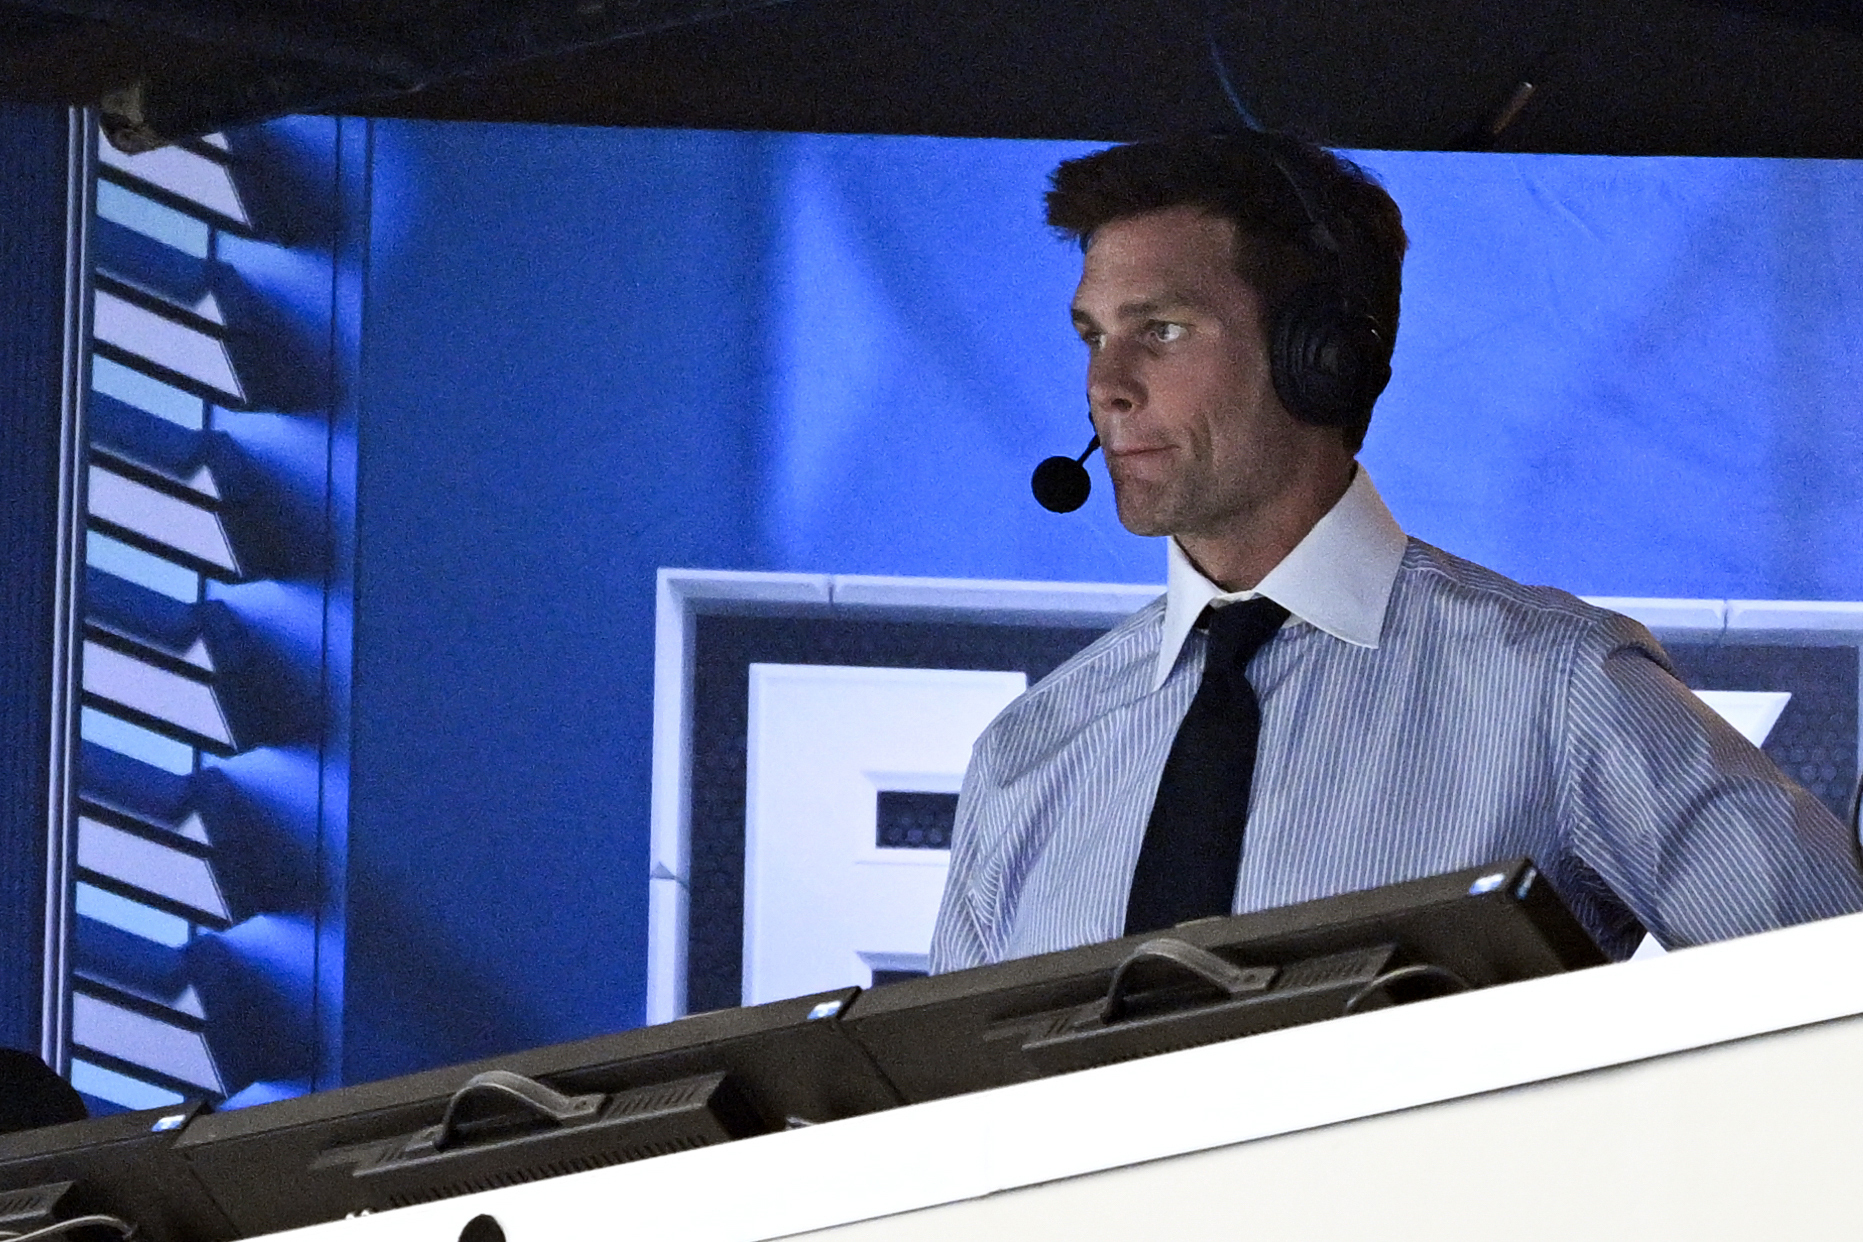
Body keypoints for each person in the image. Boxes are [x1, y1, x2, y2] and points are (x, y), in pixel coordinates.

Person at [929, 130, 1863, 972]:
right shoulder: (1030, 753)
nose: (1105, 387)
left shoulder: (1556, 688)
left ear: (1321, 355)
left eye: (1160, 331)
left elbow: (1835, 991)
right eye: (1093, 337)